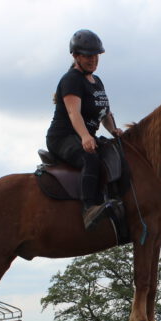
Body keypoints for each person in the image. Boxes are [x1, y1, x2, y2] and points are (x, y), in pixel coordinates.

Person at [46, 29, 124, 230]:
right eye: (88, 56)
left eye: (96, 55)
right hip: (63, 137)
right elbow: (74, 114)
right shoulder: (72, 79)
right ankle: (89, 209)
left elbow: (105, 113)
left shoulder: (97, 82)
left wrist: (113, 130)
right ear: (76, 56)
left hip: (85, 134)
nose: (93, 60)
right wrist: (85, 137)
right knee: (91, 156)